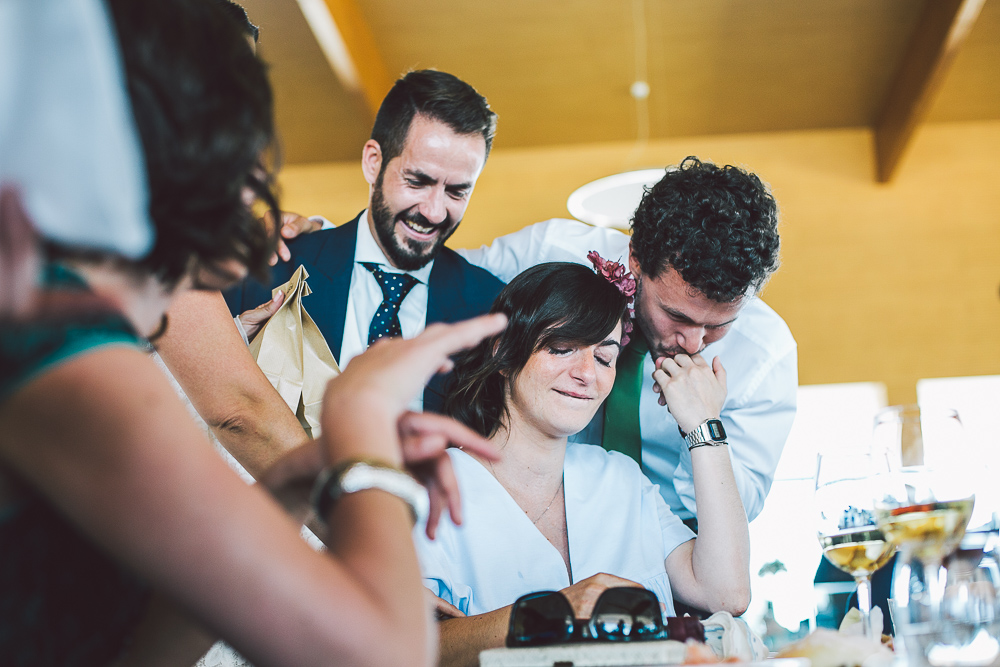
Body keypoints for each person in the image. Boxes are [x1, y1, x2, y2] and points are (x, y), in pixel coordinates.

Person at [0, 2, 505, 665]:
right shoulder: (59, 353)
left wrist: (292, 485)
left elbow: (147, 650)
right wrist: (363, 420)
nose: (260, 187)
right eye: (242, 142)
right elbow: (382, 653)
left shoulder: (60, 326)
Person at [413, 262, 750, 667]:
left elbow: (726, 593)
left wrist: (703, 425)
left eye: (605, 358)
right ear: (502, 352)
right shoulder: (427, 489)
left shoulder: (622, 479)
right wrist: (554, 614)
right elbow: (407, 646)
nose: (587, 373)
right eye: (562, 348)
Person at [458, 157, 797, 527]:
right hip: (517, 513)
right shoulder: (547, 251)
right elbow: (436, 287)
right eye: (677, 316)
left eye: (719, 325)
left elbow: (739, 512)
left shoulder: (767, 352)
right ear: (636, 258)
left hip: (671, 540)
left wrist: (701, 426)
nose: (693, 343)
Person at [224, 69, 505, 413]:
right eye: (417, 181)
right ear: (373, 162)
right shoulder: (270, 268)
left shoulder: (489, 305)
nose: (434, 212)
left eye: (457, 191)